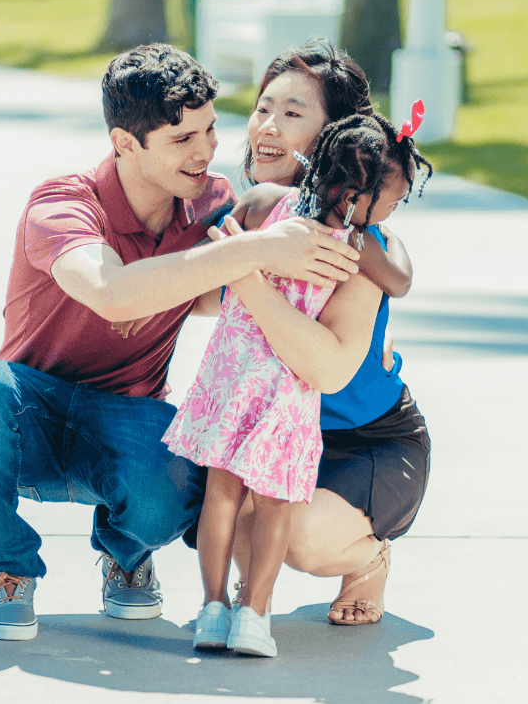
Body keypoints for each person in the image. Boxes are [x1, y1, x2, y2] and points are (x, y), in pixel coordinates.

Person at [0, 44, 365, 642]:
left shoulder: (215, 206)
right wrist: (254, 250)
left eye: (211, 129)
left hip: (128, 421)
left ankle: (126, 552)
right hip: (30, 414)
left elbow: (273, 275)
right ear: (125, 143)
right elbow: (112, 293)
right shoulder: (61, 203)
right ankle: (7, 570)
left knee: (189, 468)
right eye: (181, 138)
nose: (205, 150)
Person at [164, 112, 425, 657]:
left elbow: (223, 252)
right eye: (393, 201)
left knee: (225, 497)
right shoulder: (350, 245)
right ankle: (251, 618)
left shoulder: (273, 209)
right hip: (284, 394)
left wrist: (244, 265)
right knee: (268, 505)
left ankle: (215, 611)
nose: (393, 213)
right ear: (354, 192)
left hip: (254, 387)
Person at [228, 41, 435, 628]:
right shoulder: (256, 210)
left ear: (336, 137)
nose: (268, 127)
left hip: (365, 438)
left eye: (293, 113)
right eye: (263, 107)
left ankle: (368, 558)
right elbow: (188, 293)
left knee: (300, 534)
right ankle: (241, 599)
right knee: (198, 487)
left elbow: (393, 279)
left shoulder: (358, 237)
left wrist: (246, 277)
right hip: (278, 429)